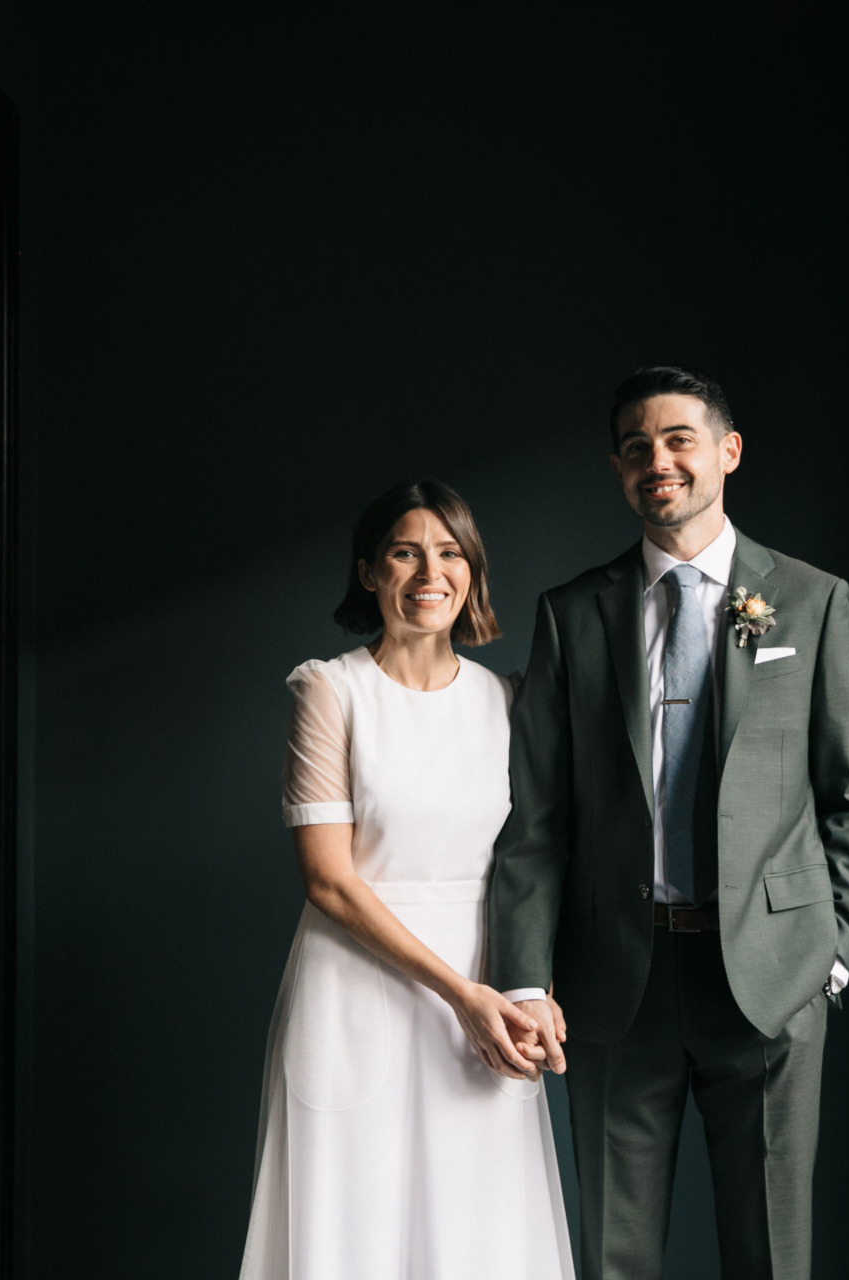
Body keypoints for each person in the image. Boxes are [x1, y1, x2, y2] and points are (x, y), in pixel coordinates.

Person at [489, 367, 849, 1280]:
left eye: (678, 440)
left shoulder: (812, 601)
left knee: (772, 1254)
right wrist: (522, 978)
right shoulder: (573, 615)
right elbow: (537, 817)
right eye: (637, 448)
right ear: (620, 470)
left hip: (771, 976)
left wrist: (834, 953)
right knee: (614, 1255)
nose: (657, 462)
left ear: (727, 453)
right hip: (613, 981)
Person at [240, 480, 575, 1280]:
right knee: (351, 1226)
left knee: (479, 1232)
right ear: (369, 573)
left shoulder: (510, 702)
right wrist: (461, 995)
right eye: (405, 552)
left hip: (487, 998)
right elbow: (328, 881)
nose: (431, 571)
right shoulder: (329, 689)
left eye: (451, 552)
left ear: (473, 572)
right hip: (356, 987)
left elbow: (534, 861)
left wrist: (525, 990)